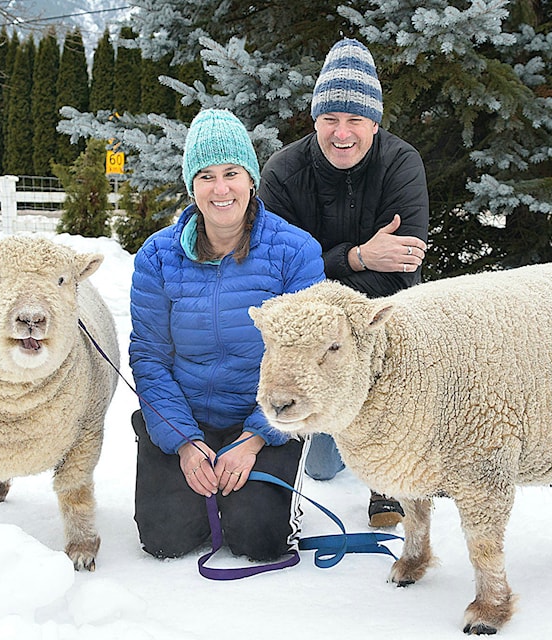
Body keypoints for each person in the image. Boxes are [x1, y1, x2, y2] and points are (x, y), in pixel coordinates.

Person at [129, 109, 324, 562]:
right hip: (187, 417)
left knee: (259, 540)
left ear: (251, 179)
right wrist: (183, 440)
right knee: (164, 540)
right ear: (191, 186)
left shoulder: (295, 252)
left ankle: (269, 496)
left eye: (232, 173)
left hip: (266, 417)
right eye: (206, 176)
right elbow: (150, 356)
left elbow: (305, 361)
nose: (221, 189)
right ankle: (190, 479)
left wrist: (255, 437)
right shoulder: (157, 256)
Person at [258, 38, 430, 528]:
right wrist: (359, 255)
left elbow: (404, 260)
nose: (342, 133)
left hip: (386, 316)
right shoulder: (284, 173)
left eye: (355, 120)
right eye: (330, 119)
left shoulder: (401, 164)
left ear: (374, 122)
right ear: (314, 120)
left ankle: (388, 483)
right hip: (310, 332)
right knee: (323, 465)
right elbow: (281, 275)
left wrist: (332, 270)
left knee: (389, 383)